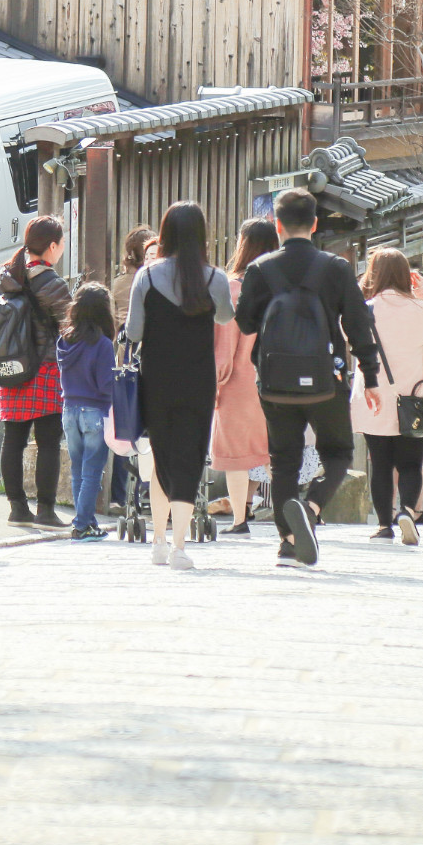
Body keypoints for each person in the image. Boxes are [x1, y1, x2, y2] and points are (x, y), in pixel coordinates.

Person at [235, 187, 380, 567]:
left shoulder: (260, 269)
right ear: (315, 224)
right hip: (324, 380)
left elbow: (246, 322)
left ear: (276, 224)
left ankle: (287, 542)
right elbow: (358, 324)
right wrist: (372, 376)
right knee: (338, 452)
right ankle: (311, 507)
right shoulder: (336, 268)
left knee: (284, 460)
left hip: (274, 382)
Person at [126, 201, 234, 569]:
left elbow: (134, 332)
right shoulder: (213, 278)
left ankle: (157, 539)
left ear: (165, 233)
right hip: (198, 380)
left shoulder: (148, 276)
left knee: (161, 456)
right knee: (189, 458)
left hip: (156, 379)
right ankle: (180, 547)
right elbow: (225, 316)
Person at [352, 247, 423, 545]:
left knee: (380, 463)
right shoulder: (418, 310)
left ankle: (384, 525)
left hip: (375, 400)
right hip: (413, 400)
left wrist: (360, 288)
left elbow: (346, 331)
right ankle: (407, 510)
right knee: (410, 462)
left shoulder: (365, 309)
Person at [0, 216, 74, 528]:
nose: (63, 248)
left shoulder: (7, 275)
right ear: (52, 247)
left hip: (10, 364)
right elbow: (71, 329)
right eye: (62, 243)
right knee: (49, 441)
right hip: (43, 367)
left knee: (13, 437)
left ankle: (17, 508)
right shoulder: (52, 284)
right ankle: (45, 510)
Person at [212, 218, 278, 534]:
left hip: (240, 381)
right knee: (276, 452)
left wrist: (215, 383)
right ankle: (289, 516)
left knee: (238, 454)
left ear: (243, 245)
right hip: (280, 380)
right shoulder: (286, 286)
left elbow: (225, 345)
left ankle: (240, 519)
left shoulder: (233, 288)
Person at [56, 283, 117, 542]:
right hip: (95, 412)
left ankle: (87, 522)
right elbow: (105, 384)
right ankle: (81, 525)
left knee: (78, 470)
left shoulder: (64, 341)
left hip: (69, 410)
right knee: (93, 471)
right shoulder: (102, 344)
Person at [107, 226, 154, 514]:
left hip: (123, 359)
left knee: (126, 427)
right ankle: (147, 492)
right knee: (148, 429)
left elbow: (114, 324)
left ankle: (118, 495)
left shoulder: (118, 283)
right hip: (148, 358)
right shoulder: (150, 279)